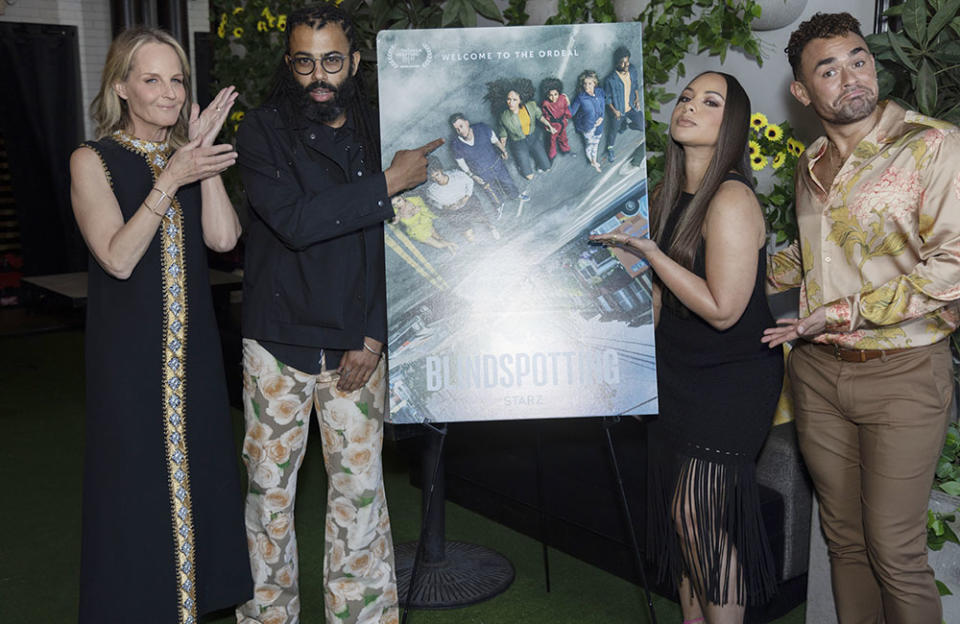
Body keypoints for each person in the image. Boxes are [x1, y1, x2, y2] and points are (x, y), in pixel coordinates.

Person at [234, 4, 441, 624]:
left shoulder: (385, 129)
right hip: (278, 344)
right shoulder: (261, 131)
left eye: (331, 60)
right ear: (290, 64)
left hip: (359, 344)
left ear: (353, 63)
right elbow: (297, 223)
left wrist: (374, 335)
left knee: (359, 497)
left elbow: (394, 248)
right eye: (304, 61)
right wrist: (386, 184)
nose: (318, 75)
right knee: (270, 501)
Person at [763, 12, 960, 624]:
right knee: (844, 541)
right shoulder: (812, 162)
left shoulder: (933, 144)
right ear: (803, 92)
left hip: (903, 373)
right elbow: (814, 254)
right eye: (829, 68)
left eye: (858, 60)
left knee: (895, 551)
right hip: (818, 376)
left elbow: (953, 265)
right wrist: (733, 270)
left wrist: (844, 312)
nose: (851, 77)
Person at [70, 27, 252, 623]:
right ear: (121, 87)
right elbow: (118, 259)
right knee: (135, 495)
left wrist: (202, 160)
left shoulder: (186, 156)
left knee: (201, 488)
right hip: (129, 363)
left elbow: (224, 239)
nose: (169, 93)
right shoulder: (92, 160)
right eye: (151, 79)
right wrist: (170, 178)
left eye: (176, 79)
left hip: (193, 359)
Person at [592, 72, 781, 623]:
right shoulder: (667, 194)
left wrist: (650, 253)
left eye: (710, 101)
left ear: (732, 124)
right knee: (682, 526)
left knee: (697, 517)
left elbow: (723, 309)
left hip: (730, 380)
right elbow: (659, 299)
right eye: (686, 97)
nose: (690, 107)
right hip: (675, 372)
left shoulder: (732, 199)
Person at [448, 112, 528, 213]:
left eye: (461, 126)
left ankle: (515, 195)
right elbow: (461, 163)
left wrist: (504, 151)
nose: (460, 130)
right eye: (457, 129)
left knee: (507, 181)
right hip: (481, 172)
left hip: (496, 163)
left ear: (467, 123)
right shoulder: (456, 145)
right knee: (490, 190)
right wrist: (472, 175)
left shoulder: (482, 128)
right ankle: (499, 205)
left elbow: (495, 140)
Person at [488, 78, 554, 179]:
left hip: (532, 138)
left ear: (520, 100)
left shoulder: (530, 106)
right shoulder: (503, 116)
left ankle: (537, 159)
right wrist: (503, 150)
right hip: (518, 143)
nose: (510, 102)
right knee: (529, 176)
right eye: (508, 99)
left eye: (514, 100)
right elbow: (503, 134)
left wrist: (549, 126)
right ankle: (522, 164)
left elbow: (539, 116)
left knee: (547, 167)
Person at [424, 157, 500, 242]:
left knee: (481, 217)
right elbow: (433, 202)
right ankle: (473, 241)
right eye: (433, 177)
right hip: (452, 210)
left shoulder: (457, 175)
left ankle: (491, 227)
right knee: (466, 231)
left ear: (441, 170)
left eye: (437, 174)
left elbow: (470, 182)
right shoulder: (431, 190)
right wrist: (445, 207)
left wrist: (466, 197)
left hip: (467, 202)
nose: (436, 179)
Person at [603, 46, 644, 163]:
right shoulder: (610, 80)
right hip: (619, 111)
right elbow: (607, 99)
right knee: (613, 131)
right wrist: (614, 111)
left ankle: (626, 126)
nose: (626, 65)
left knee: (642, 125)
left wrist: (636, 98)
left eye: (627, 61)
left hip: (631, 107)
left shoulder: (632, 70)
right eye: (623, 63)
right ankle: (610, 148)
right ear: (616, 64)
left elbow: (635, 85)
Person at [392, 194, 458, 254]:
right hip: (418, 233)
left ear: (403, 197)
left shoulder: (414, 201)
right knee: (438, 245)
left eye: (398, 200)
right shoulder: (396, 211)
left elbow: (424, 209)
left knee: (439, 238)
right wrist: (395, 220)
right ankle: (451, 245)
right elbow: (395, 222)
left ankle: (451, 247)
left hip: (425, 224)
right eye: (394, 204)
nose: (398, 204)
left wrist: (419, 209)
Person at [570, 69, 605, 173]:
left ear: (595, 83)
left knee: (596, 143)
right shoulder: (581, 97)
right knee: (590, 145)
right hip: (587, 127)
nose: (586, 86)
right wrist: (565, 103)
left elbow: (602, 106)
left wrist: (602, 117)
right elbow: (571, 113)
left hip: (599, 125)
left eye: (589, 83)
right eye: (585, 84)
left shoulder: (600, 92)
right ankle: (593, 160)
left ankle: (594, 160)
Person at [540, 77, 572, 160]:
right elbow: (545, 115)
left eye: (555, 94)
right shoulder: (546, 104)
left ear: (559, 93)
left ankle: (565, 149)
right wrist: (547, 127)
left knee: (563, 137)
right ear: (547, 95)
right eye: (550, 95)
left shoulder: (562, 99)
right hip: (553, 125)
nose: (553, 97)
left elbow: (566, 109)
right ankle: (552, 155)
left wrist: (567, 117)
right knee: (552, 141)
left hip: (562, 123)